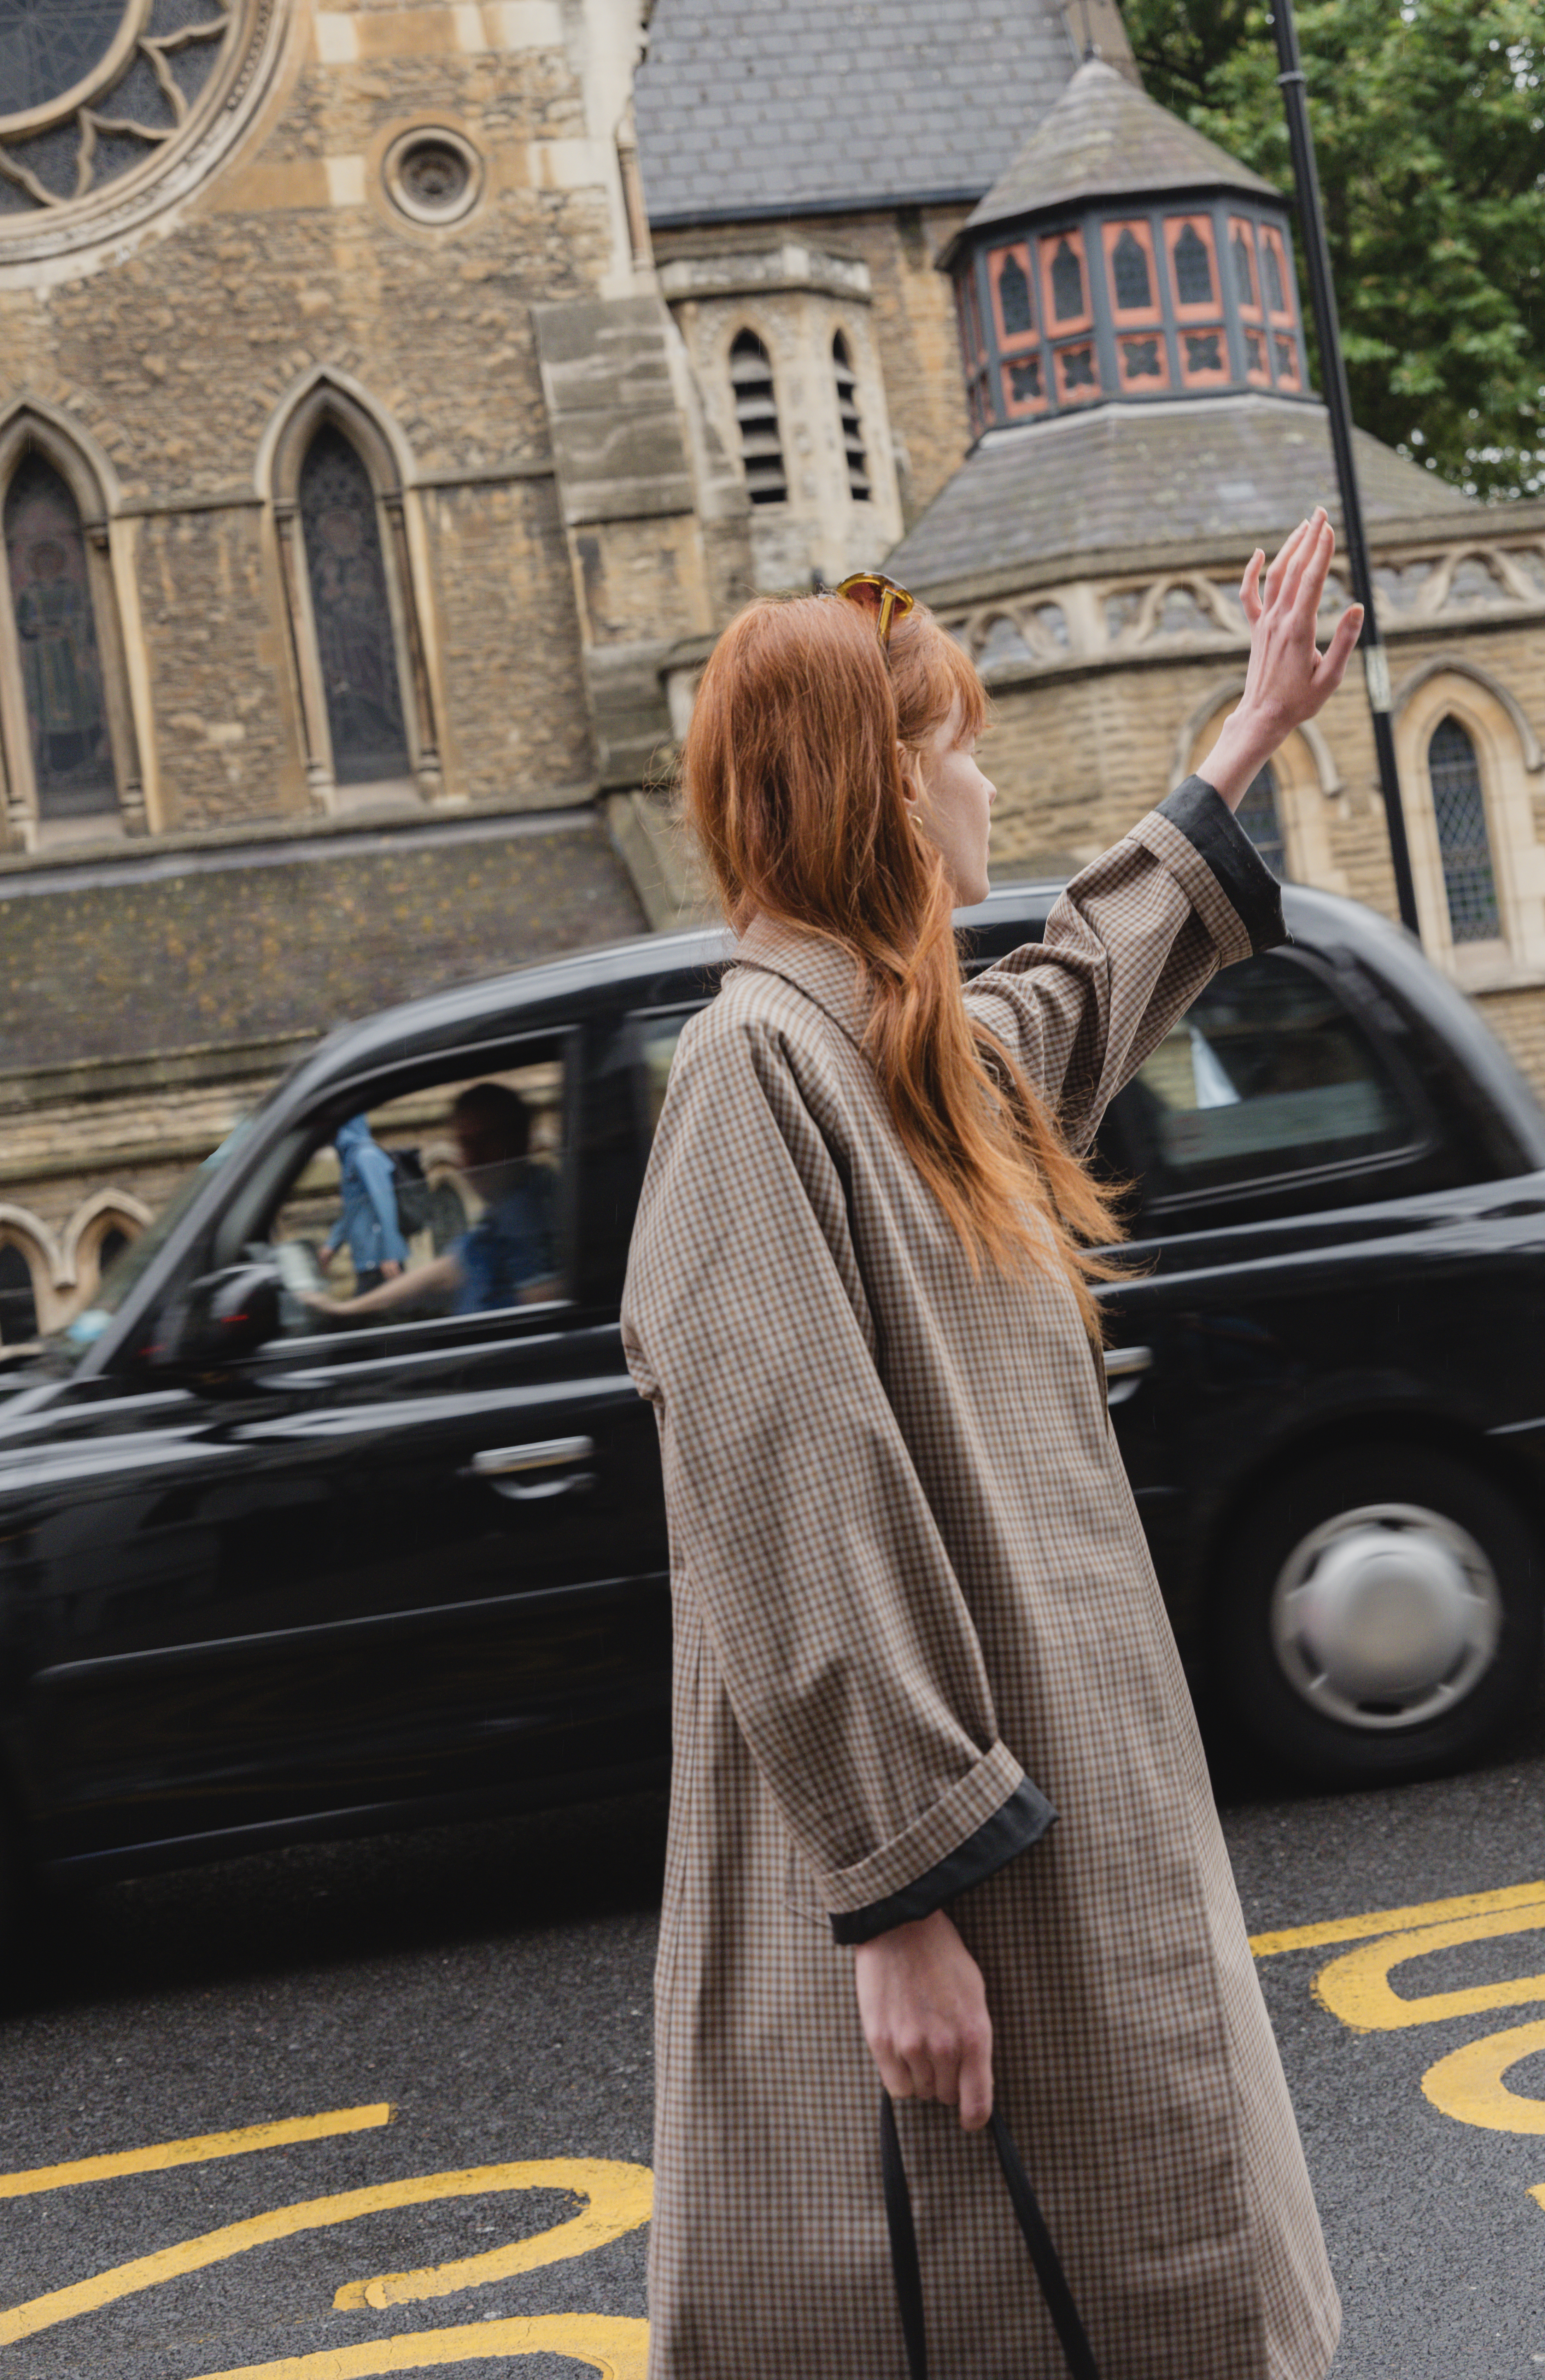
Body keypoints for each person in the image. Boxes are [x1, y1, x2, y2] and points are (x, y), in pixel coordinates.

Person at [621, 512, 1358, 2379]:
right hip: (949, 1883)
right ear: (879, 776)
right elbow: (786, 1489)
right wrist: (897, 1899)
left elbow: (1075, 993)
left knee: (1121, 2283)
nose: (984, 772)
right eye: (957, 741)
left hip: (1033, 1842)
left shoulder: (893, 1044)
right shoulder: (754, 1069)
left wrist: (1247, 732)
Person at [318, 1082, 557, 1320]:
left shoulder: (532, 1213)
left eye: (487, 1140)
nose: (473, 1159)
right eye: (465, 1143)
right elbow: (449, 1271)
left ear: (519, 1139)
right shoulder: (501, 1216)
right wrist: (344, 1302)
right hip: (367, 1257)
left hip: (377, 1259)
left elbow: (384, 1201)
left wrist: (389, 1251)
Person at [320, 1114, 407, 1295]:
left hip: (381, 1261)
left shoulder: (366, 1156)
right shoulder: (350, 1158)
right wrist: (332, 1244)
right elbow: (354, 1209)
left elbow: (385, 1204)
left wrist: (390, 1253)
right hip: (368, 1261)